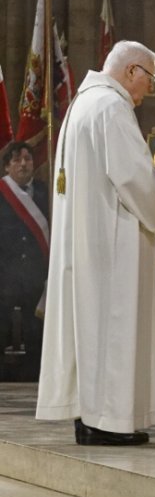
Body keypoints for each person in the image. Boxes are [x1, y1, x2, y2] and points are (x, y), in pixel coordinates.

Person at [36, 40, 155, 445]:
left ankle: (88, 419)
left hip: (86, 240)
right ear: (131, 71)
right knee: (112, 327)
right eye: (149, 79)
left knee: (89, 329)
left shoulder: (82, 105)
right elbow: (130, 176)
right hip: (111, 242)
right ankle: (108, 422)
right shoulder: (112, 107)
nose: (149, 90)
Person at [0, 141, 49, 381]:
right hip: (5, 274)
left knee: (35, 327)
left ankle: (35, 375)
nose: (23, 164)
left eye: (27, 159)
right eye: (17, 160)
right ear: (7, 166)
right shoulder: (1, 192)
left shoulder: (44, 192)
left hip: (34, 274)